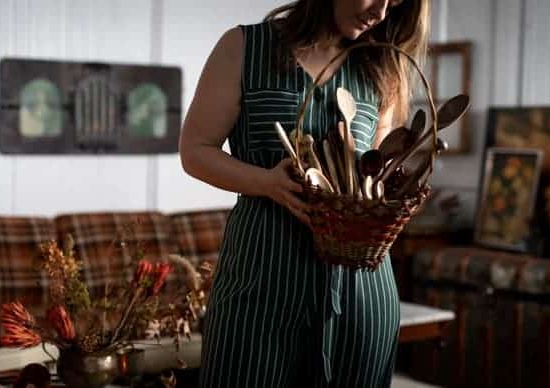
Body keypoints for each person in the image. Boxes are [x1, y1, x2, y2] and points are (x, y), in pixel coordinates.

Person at [179, 0, 429, 386]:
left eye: (394, 3)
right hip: (261, 276)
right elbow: (195, 151)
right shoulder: (244, 47)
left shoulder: (381, 68)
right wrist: (266, 182)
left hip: (361, 288)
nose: (380, 12)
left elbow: (373, 174)